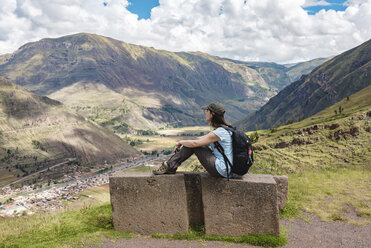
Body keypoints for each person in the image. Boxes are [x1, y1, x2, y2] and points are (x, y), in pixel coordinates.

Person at [152, 102, 234, 178]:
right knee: (194, 144)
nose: (206, 113)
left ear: (212, 114)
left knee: (196, 146)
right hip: (225, 168)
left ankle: (169, 166)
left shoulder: (220, 132)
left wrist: (180, 142)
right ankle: (169, 166)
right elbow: (199, 139)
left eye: (207, 111)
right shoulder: (223, 130)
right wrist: (184, 143)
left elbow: (195, 143)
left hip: (221, 169)